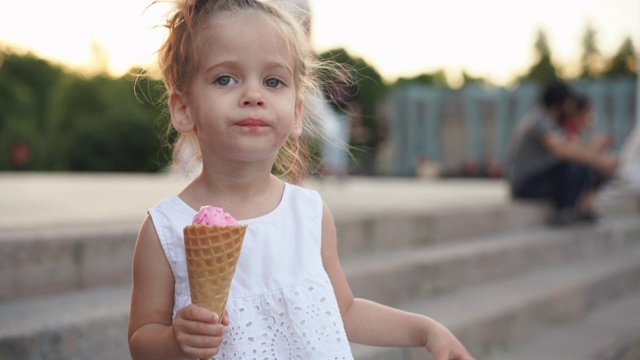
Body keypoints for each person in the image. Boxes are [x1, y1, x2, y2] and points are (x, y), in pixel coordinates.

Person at [127, 1, 474, 360]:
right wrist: (174, 340)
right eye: (225, 79)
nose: (253, 95)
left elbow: (346, 311)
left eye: (273, 81)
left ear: (296, 113)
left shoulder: (308, 213)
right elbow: (141, 337)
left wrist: (427, 331)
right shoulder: (165, 229)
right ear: (184, 108)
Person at [505, 80, 618, 226]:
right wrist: (598, 160)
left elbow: (572, 147)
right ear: (561, 103)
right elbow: (562, 150)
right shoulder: (540, 121)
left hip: (537, 179)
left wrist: (596, 153)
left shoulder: (551, 122)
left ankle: (579, 210)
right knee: (576, 164)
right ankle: (564, 212)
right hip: (525, 183)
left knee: (586, 167)